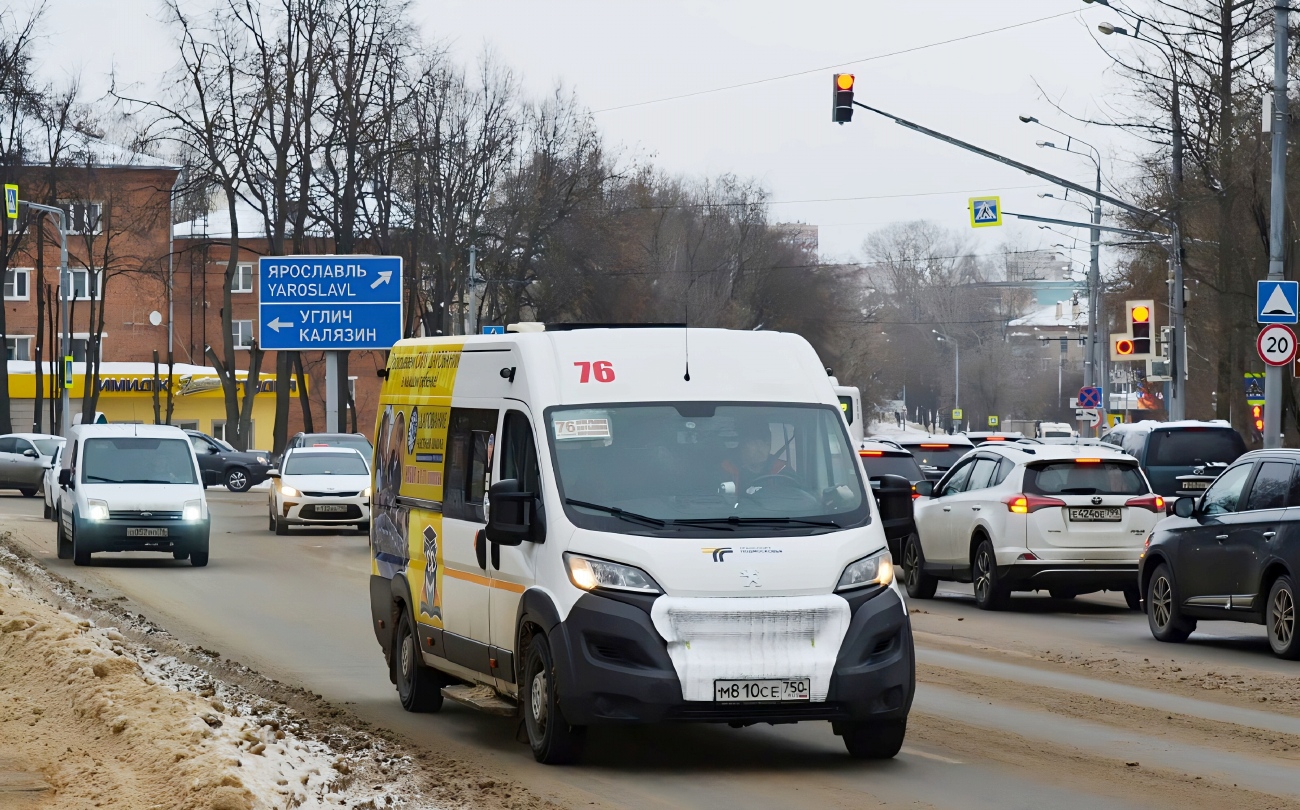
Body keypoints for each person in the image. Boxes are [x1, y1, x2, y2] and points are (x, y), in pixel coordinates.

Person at [723, 419, 788, 493]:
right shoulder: (724, 470)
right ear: (742, 444)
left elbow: (796, 495)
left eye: (766, 442)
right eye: (755, 442)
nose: (761, 448)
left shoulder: (782, 470)